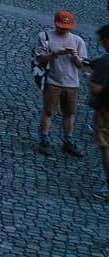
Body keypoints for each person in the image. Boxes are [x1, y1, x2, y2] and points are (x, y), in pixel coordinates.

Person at [36, 10, 91, 158]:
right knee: (48, 111)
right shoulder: (45, 37)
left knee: (69, 114)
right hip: (52, 81)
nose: (64, 30)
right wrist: (56, 54)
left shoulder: (78, 41)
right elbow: (40, 58)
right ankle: (44, 139)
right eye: (61, 27)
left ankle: (68, 141)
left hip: (72, 83)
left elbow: (82, 65)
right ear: (55, 24)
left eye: (67, 28)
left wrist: (75, 57)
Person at [87, 23, 109, 202]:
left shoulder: (105, 62)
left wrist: (90, 79)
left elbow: (97, 88)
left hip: (105, 110)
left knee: (106, 146)